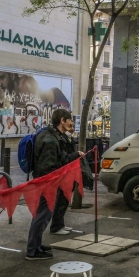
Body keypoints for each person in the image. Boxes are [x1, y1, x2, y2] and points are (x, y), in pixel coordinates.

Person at [25, 109, 82, 260]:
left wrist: (75, 154)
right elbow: (48, 166)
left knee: (42, 215)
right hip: (47, 184)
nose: (72, 123)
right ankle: (32, 250)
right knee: (42, 215)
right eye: (70, 120)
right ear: (62, 120)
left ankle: (36, 245)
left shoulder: (52, 135)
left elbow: (61, 158)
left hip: (46, 183)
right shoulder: (50, 140)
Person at [48, 120, 85, 235]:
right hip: (63, 173)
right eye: (70, 126)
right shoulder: (61, 139)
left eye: (73, 126)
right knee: (61, 200)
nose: (72, 128)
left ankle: (60, 224)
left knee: (64, 200)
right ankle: (56, 226)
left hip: (69, 173)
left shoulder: (68, 139)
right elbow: (64, 157)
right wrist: (76, 154)